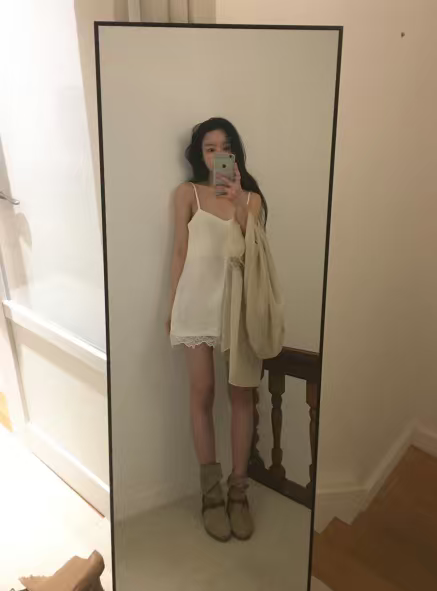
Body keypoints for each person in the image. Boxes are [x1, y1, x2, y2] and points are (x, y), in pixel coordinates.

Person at [167, 117, 267, 542]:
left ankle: (238, 494)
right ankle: (211, 496)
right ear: (200, 154)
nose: (218, 154)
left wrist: (239, 199)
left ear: (235, 153)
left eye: (226, 147)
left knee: (241, 394)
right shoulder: (186, 194)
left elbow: (252, 249)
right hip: (195, 304)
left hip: (236, 309)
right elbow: (179, 251)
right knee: (202, 392)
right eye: (210, 148)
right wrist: (172, 307)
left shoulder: (252, 199)